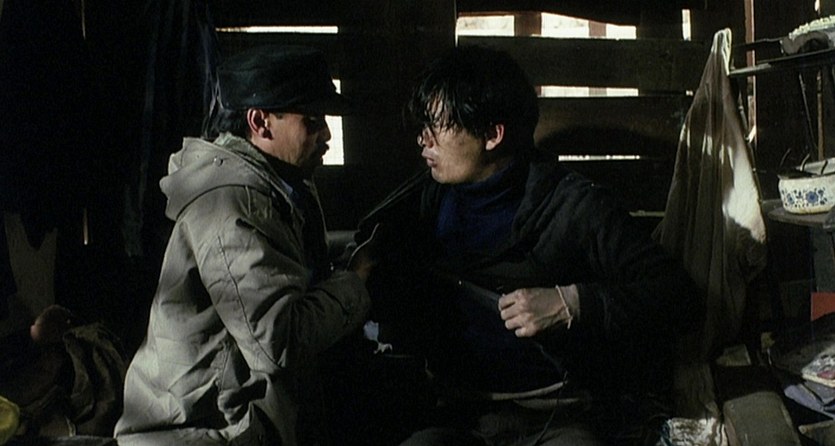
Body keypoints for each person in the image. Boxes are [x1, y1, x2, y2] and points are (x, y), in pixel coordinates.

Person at [354, 45, 703, 446]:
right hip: (458, 413)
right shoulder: (426, 201)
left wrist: (572, 303)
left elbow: (677, 295)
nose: (423, 140)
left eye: (438, 126)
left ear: (492, 134)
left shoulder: (574, 208)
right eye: (424, 126)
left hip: (559, 415)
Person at [114, 45, 374, 446]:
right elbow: (278, 342)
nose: (325, 134)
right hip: (203, 430)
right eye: (311, 120)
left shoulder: (279, 183)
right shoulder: (235, 203)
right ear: (260, 122)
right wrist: (356, 279)